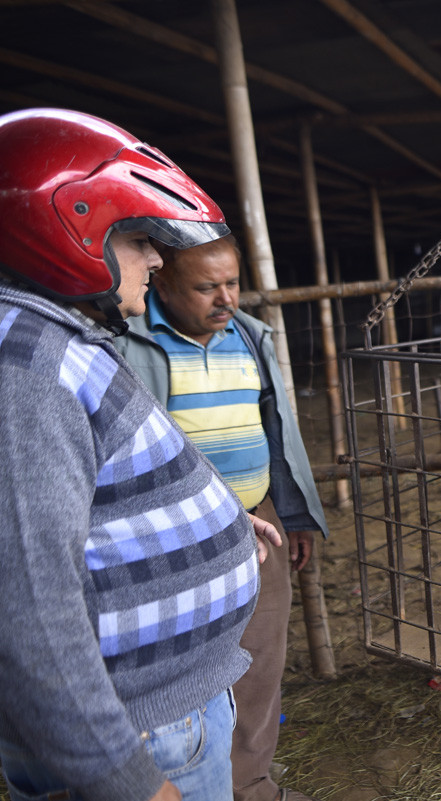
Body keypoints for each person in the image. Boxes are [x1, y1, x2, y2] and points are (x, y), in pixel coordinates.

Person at [0, 108, 282, 801]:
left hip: (160, 713)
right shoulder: (27, 373)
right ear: (66, 230)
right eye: (136, 239)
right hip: (144, 735)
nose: (155, 259)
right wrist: (125, 779)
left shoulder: (53, 344)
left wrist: (210, 522)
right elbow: (27, 605)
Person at [117, 235, 328, 801]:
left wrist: (293, 511)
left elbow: (279, 434)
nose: (227, 297)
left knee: (261, 660)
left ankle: (251, 784)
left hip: (258, 523)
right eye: (206, 286)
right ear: (161, 282)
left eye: (232, 282)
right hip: (175, 540)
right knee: (186, 670)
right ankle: (187, 782)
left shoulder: (250, 337)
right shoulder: (129, 343)